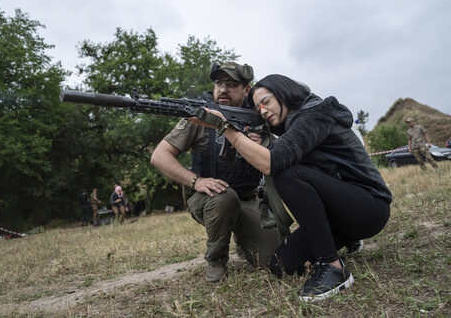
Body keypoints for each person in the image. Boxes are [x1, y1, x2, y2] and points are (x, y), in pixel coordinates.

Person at [194, 74, 392, 301]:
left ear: (283, 92)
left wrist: (224, 127)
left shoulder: (316, 114)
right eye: (258, 108)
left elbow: (271, 163)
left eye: (266, 102)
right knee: (282, 265)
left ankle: (333, 266)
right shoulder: (294, 125)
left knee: (285, 173)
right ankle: (346, 239)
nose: (263, 111)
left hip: (369, 207)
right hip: (341, 215)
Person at [151, 62, 281, 282]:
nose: (223, 89)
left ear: (246, 90)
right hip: (209, 199)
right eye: (219, 83)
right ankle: (217, 260)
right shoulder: (199, 116)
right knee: (224, 195)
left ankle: (243, 239)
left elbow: (278, 159)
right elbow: (159, 157)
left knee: (275, 261)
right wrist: (196, 181)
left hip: (248, 199)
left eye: (231, 84)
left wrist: (263, 145)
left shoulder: (258, 117)